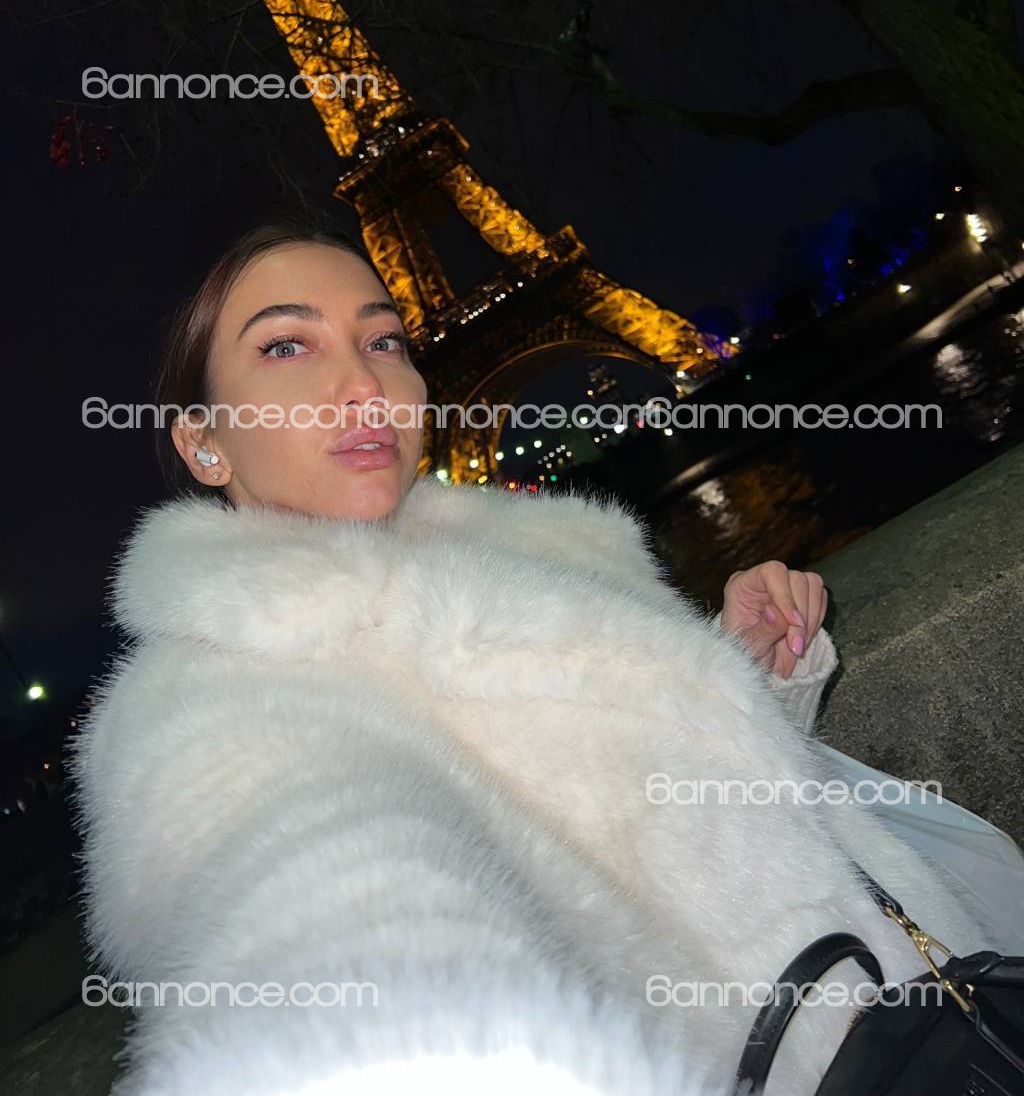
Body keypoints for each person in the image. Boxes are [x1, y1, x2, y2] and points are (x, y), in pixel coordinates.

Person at [67, 217, 1022, 1096]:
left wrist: (739, 675)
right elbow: (328, 915)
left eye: (384, 339)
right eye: (286, 345)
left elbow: (637, 814)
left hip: (949, 1011)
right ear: (203, 442)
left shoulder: (541, 552)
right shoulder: (203, 710)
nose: (363, 382)